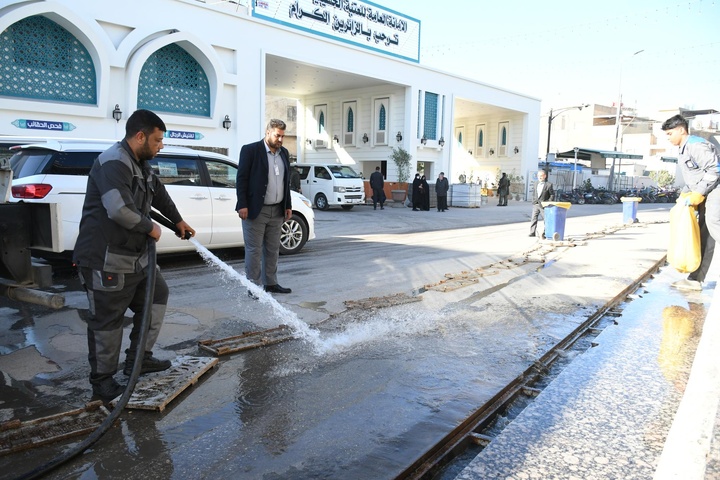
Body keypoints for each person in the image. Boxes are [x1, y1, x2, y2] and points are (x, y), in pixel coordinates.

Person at [74, 109, 196, 403]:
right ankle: (102, 382)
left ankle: (139, 359)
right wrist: (150, 227)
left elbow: (159, 193)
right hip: (106, 259)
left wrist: (177, 220)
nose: (161, 146)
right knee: (108, 321)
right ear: (140, 136)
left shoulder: (141, 163)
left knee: (157, 296)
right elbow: (118, 211)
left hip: (137, 258)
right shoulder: (113, 163)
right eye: (157, 140)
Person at [661, 114, 720, 291]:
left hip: (715, 191)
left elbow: (714, 170)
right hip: (706, 192)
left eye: (670, 134)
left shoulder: (696, 145)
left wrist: (699, 192)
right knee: (704, 235)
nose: (668, 138)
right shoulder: (683, 149)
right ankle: (695, 279)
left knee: (714, 224)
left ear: (681, 130)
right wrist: (684, 195)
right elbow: (694, 177)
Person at [236, 119, 293, 297]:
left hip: (277, 210)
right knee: (254, 250)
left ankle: (271, 283)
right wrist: (242, 204)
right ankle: (254, 287)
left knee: (273, 248)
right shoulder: (250, 150)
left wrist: (288, 205)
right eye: (277, 135)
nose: (280, 140)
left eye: (283, 136)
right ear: (268, 132)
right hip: (255, 210)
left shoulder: (284, 153)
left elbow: (286, 182)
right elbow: (241, 179)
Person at [529, 169, 554, 238]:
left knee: (546, 219)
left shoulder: (549, 185)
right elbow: (534, 193)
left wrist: (548, 202)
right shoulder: (535, 183)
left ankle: (546, 233)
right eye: (538, 176)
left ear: (545, 176)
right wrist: (533, 200)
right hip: (536, 204)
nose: (539, 177)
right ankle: (532, 232)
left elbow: (552, 195)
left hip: (544, 205)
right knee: (533, 218)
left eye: (541, 176)